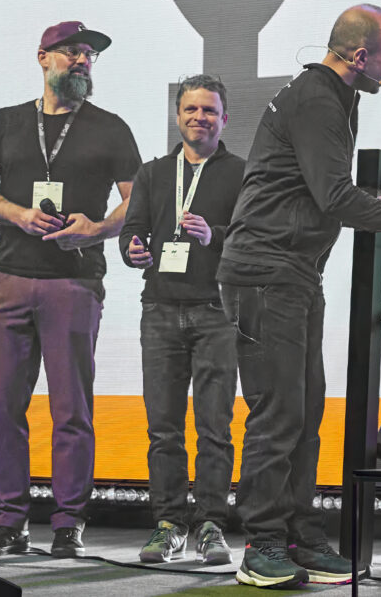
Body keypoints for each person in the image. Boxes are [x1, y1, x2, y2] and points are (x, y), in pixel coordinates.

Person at [217, 4, 381, 589]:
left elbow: (325, 189)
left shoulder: (335, 97)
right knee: (279, 413)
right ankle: (262, 545)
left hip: (293, 273)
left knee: (306, 413)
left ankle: (299, 535)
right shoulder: (318, 100)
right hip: (265, 272)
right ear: (360, 56)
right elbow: (335, 197)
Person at [0, 21, 142, 558]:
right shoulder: (7, 121)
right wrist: (17, 213)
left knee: (72, 412)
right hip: (11, 278)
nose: (83, 60)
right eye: (72, 51)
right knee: (4, 408)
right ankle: (9, 521)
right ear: (43, 57)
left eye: (89, 54)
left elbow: (137, 200)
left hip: (73, 282)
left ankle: (68, 523)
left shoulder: (110, 128)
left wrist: (99, 228)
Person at [119, 75, 245, 565]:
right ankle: (169, 523)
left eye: (209, 110)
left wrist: (215, 235)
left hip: (217, 312)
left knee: (215, 427)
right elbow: (132, 229)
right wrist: (132, 248)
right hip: (160, 310)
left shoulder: (241, 173)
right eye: (191, 109)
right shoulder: (153, 173)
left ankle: (211, 524)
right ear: (177, 117)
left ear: (224, 119)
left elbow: (252, 235)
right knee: (163, 429)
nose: (199, 118)